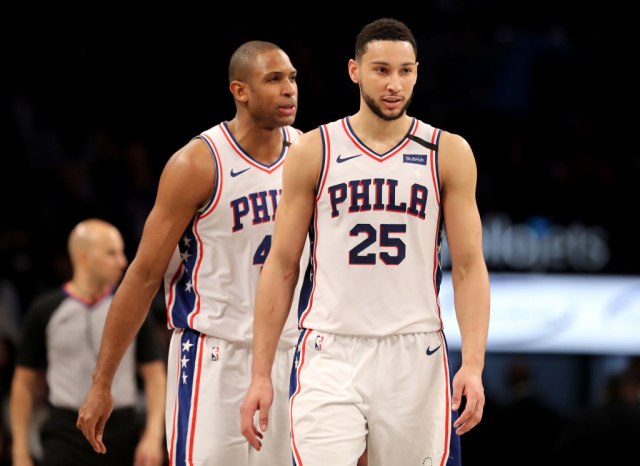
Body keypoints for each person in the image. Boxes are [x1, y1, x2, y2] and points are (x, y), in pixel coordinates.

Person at [240, 17, 490, 466]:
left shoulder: (447, 151)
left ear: (417, 72)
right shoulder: (314, 149)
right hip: (329, 348)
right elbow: (282, 265)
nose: (394, 84)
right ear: (354, 70)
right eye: (381, 70)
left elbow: (470, 268)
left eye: (405, 71)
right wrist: (261, 374)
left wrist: (472, 364)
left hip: (415, 349)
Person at [76, 40, 304, 466]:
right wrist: (102, 380)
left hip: (289, 352)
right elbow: (144, 274)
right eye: (273, 79)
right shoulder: (197, 163)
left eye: (291, 78)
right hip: (213, 357)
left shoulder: (307, 154)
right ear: (240, 90)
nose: (289, 88)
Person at [9, 219, 166, 466]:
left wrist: (154, 434)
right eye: (111, 253)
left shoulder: (132, 310)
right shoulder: (45, 310)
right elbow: (23, 382)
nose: (123, 262)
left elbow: (155, 374)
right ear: (84, 257)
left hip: (122, 430)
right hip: (65, 432)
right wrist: (20, 451)